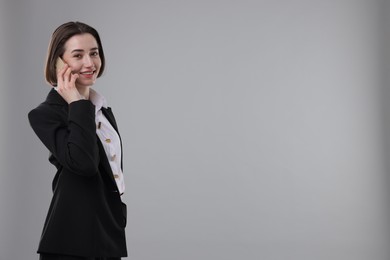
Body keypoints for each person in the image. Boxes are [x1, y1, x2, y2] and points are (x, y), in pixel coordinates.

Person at [28, 21, 127, 260]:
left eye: (94, 53)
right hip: (71, 242)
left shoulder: (101, 109)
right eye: (78, 55)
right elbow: (84, 163)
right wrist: (77, 103)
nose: (89, 63)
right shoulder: (45, 114)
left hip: (106, 234)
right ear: (59, 62)